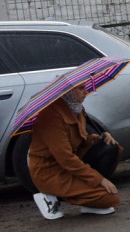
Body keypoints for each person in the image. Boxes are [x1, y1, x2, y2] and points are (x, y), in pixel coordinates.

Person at [27, 83, 121, 219]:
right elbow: (65, 157)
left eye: (85, 87)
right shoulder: (50, 116)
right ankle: (48, 194)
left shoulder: (76, 108)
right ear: (68, 92)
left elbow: (77, 140)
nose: (86, 91)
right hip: (49, 171)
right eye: (80, 88)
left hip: (69, 165)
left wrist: (95, 138)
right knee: (108, 197)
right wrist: (98, 179)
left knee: (110, 148)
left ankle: (86, 199)